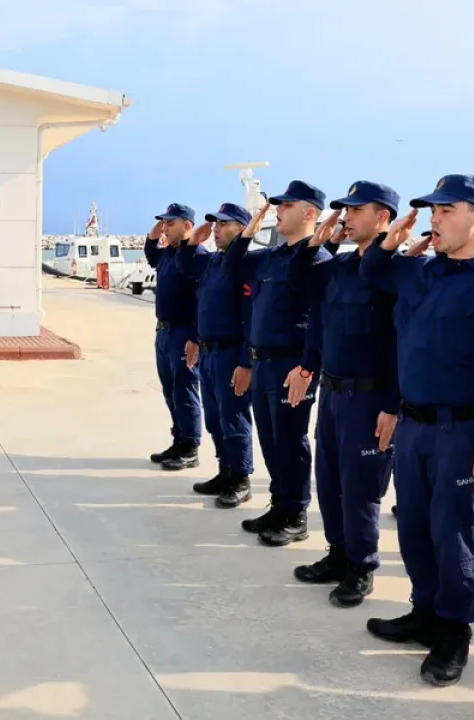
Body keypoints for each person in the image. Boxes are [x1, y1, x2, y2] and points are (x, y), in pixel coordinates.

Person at [359, 174, 474, 686]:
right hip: (414, 425)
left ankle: (454, 630)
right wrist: (390, 241)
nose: (435, 219)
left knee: (455, 531)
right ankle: (425, 611)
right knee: (414, 526)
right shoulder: (424, 273)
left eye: (446, 210)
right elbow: (374, 273)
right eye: (432, 210)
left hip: (466, 431)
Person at [288, 182, 399, 608]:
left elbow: (400, 346)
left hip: (369, 398)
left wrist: (392, 405)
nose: (347, 216)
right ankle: (338, 553)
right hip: (333, 394)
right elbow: (304, 291)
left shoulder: (392, 273)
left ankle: (361, 565)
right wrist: (320, 243)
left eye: (356, 210)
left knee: (361, 487)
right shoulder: (337, 267)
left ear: (383, 218)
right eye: (344, 211)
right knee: (329, 480)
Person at [220, 182, 331, 547]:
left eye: (287, 205)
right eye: (278, 205)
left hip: (291, 365)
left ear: (310, 213)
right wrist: (250, 229)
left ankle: (296, 513)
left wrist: (306, 369)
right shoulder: (271, 257)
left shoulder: (316, 260)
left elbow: (320, 319)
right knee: (269, 440)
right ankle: (279, 504)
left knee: (290, 441)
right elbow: (232, 268)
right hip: (262, 363)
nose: (278, 210)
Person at [175, 203, 255, 500]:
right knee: (215, 418)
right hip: (209, 353)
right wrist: (193, 242)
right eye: (216, 225)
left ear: (243, 229)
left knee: (233, 418)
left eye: (224, 225)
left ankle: (241, 477)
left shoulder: (244, 265)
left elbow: (249, 316)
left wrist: (246, 362)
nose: (217, 230)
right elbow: (186, 268)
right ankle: (226, 470)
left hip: (231, 353)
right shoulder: (213, 262)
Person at [145, 204, 203, 471]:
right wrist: (153, 236)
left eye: (170, 223)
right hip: (164, 331)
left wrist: (195, 337)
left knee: (185, 389)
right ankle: (178, 439)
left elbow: (203, 302)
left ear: (187, 226)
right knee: (170, 389)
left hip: (183, 332)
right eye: (164, 223)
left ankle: (190, 446)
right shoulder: (169, 253)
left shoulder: (196, 256)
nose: (166, 227)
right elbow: (151, 256)